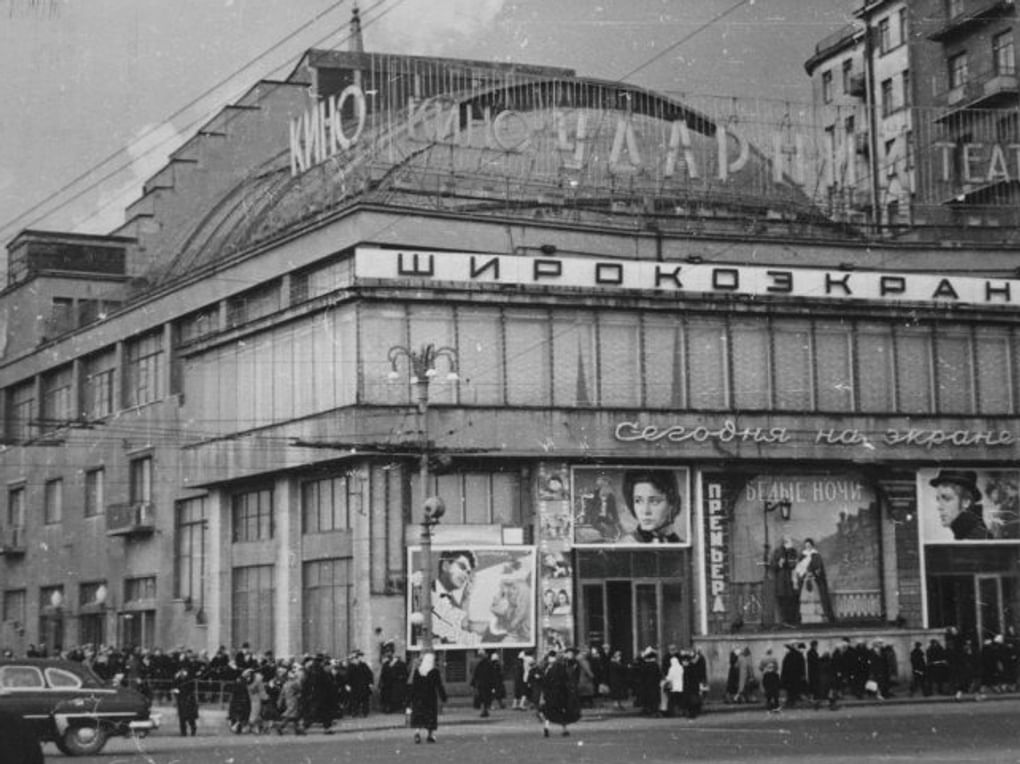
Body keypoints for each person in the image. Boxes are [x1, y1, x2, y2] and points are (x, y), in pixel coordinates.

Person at [431, 550, 482, 646]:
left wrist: (466, 597)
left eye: (468, 572)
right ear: (445, 566)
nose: (465, 575)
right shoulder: (422, 591)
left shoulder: (455, 604)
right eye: (462, 567)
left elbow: (462, 633)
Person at [619, 470, 683, 543]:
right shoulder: (627, 544)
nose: (646, 511)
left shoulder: (681, 543)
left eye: (654, 502)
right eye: (638, 501)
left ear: (671, 503)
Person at [930, 470, 991, 540]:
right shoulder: (966, 532)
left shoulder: (976, 536)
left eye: (947, 499)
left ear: (966, 502)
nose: (939, 507)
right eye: (938, 500)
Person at [540, 647, 582, 737]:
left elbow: (545, 681)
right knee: (562, 712)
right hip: (560, 694)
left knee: (549, 712)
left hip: (550, 693)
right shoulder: (562, 668)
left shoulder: (549, 668)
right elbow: (566, 680)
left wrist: (545, 693)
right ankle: (564, 729)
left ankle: (546, 727)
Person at [408, 651, 447, 743]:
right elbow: (439, 685)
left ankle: (417, 733)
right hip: (430, 697)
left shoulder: (418, 671)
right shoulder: (434, 671)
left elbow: (412, 684)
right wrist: (443, 696)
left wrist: (410, 697)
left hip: (418, 697)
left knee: (418, 715)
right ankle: (430, 734)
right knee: (430, 716)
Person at [794, 538, 836, 623]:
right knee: (805, 599)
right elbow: (799, 569)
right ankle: (806, 618)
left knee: (816, 598)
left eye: (809, 546)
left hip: (815, 581)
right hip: (805, 581)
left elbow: (819, 568)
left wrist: (813, 573)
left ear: (812, 546)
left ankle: (817, 618)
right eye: (806, 546)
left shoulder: (816, 555)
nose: (807, 547)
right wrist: (804, 574)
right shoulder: (802, 556)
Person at [771, 536, 800, 626]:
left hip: (791, 579)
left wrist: (790, 563)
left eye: (790, 541)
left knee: (792, 600)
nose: (789, 543)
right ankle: (784, 621)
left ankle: (792, 620)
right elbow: (773, 566)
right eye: (787, 541)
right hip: (782, 580)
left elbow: (795, 564)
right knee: (782, 600)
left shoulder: (793, 551)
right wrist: (779, 564)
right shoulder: (778, 552)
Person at [171, 663, 199, 737]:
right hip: (181, 699)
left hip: (189, 699)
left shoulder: (190, 677)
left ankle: (193, 729)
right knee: (182, 717)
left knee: (190, 717)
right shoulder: (177, 677)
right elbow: (174, 685)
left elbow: (191, 687)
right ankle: (183, 732)